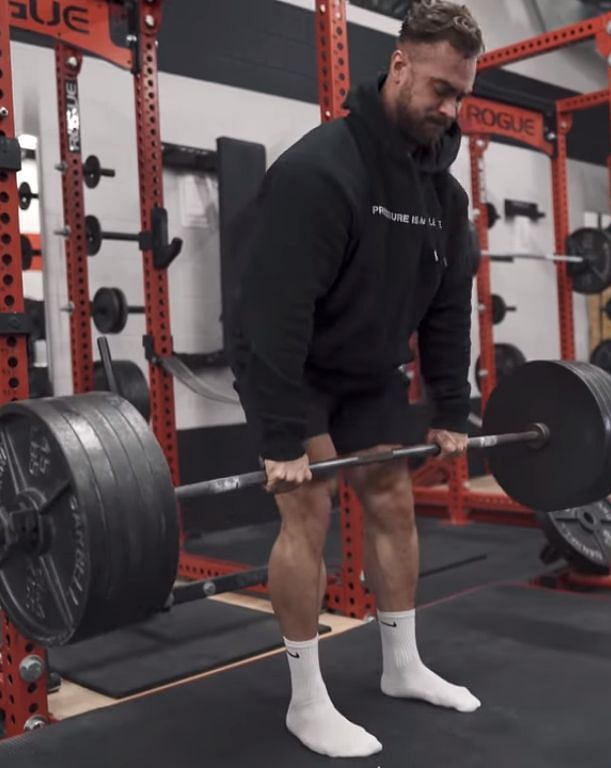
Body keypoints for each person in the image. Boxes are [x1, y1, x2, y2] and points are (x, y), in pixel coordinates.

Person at [229, 1, 483, 759]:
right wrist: (280, 433)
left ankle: (402, 665)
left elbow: (447, 309)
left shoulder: (446, 195)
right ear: (399, 66)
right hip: (292, 361)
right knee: (307, 509)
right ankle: (307, 701)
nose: (448, 107)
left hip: (368, 369)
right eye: (439, 87)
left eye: (461, 94)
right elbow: (273, 314)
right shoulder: (320, 169)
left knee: (393, 499)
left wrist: (451, 406)